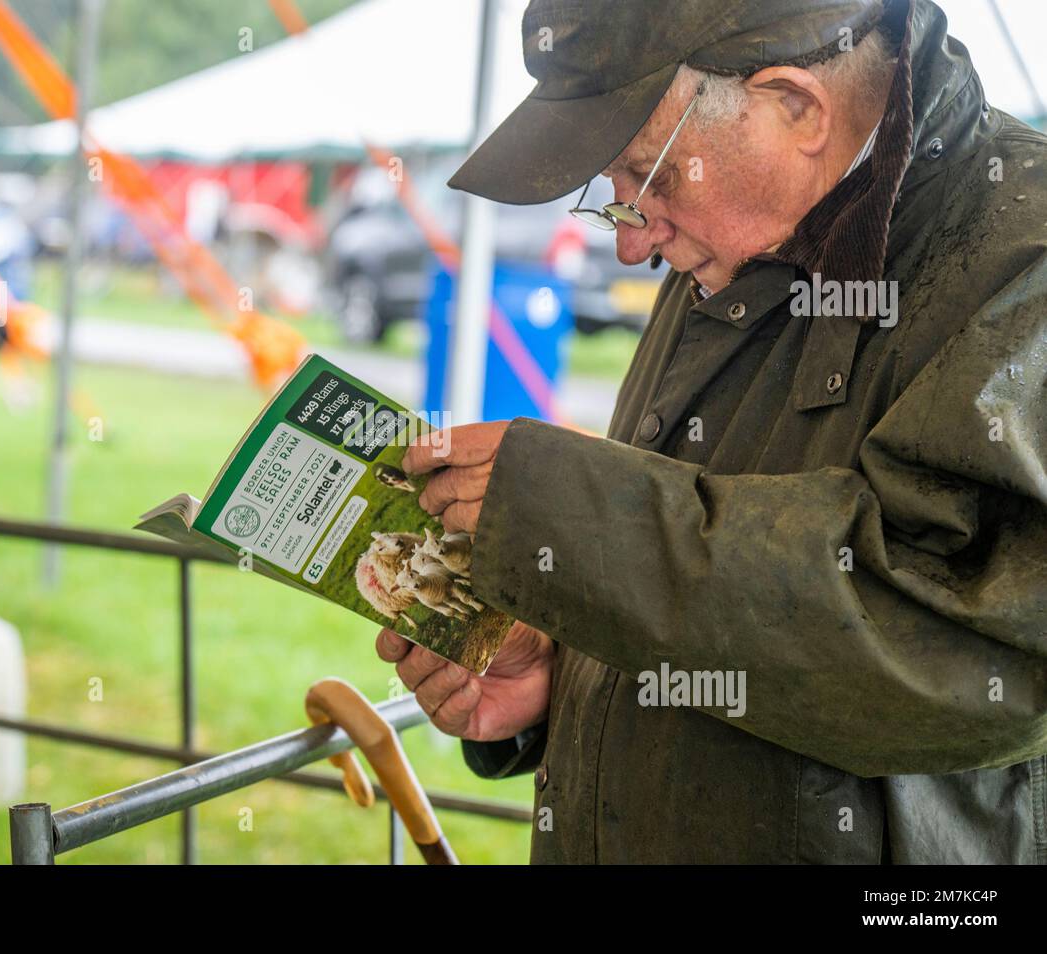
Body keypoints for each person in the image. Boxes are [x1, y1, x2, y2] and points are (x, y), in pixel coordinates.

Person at [376, 0, 1047, 863]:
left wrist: (565, 514)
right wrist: (564, 671)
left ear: (796, 109)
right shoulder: (737, 229)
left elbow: (961, 644)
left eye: (647, 174)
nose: (630, 242)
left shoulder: (1022, 256)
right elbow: (704, 600)